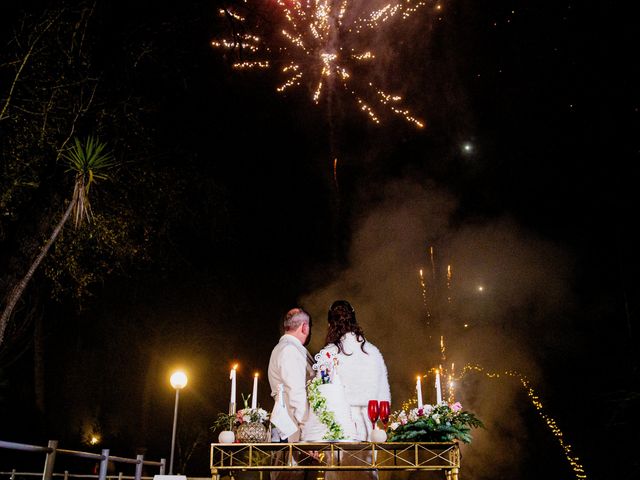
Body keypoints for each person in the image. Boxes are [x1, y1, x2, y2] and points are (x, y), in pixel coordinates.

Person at [319, 300, 391, 480]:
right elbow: (384, 397)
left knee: (337, 472)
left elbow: (321, 395)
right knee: (365, 472)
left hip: (338, 424)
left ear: (330, 324)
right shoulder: (372, 352)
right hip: (368, 423)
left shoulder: (329, 353)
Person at [268, 307, 315, 480]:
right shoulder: (288, 350)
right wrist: (308, 433)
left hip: (292, 428)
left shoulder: (289, 349)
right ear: (304, 327)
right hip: (292, 429)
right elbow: (296, 393)